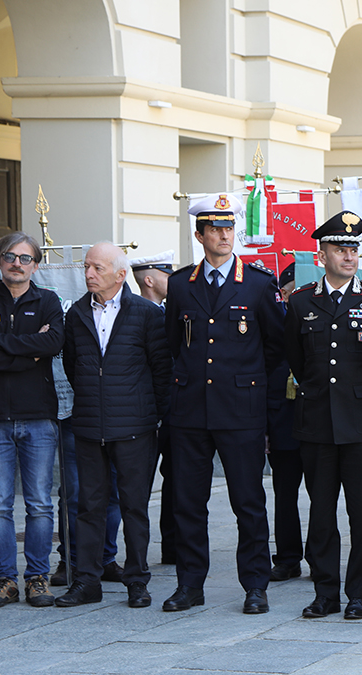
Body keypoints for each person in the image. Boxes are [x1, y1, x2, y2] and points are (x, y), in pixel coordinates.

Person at [162, 194, 284, 614]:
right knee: (188, 502)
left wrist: (265, 409)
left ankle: (255, 585)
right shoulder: (180, 284)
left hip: (241, 409)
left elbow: (275, 349)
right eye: (214, 229)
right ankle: (189, 585)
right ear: (199, 235)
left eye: (229, 227)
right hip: (191, 411)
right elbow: (174, 345)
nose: (224, 235)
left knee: (248, 501)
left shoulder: (258, 283)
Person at [285, 211, 362, 620]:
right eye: (340, 249)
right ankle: (325, 592)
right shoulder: (300, 302)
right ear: (322, 252)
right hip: (316, 421)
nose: (349, 257)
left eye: (353, 248)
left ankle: (358, 594)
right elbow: (296, 359)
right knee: (320, 511)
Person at [55, 242, 170, 608]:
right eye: (87, 267)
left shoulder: (147, 314)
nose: (89, 274)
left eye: (97, 268)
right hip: (89, 425)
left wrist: (151, 414)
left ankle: (137, 580)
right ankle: (87, 580)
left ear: (121, 275)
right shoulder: (75, 314)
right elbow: (74, 367)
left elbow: (161, 371)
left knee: (134, 506)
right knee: (89, 506)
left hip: (135, 427)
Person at [0, 232, 65, 608]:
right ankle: (4, 580)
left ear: (35, 265)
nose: (16, 264)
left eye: (24, 258)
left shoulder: (49, 300)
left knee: (39, 503)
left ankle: (37, 577)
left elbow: (53, 344)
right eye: (9, 256)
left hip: (38, 418)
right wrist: (26, 350)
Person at [130, 251, 178, 564]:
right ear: (149, 279)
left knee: (176, 481)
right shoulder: (133, 315)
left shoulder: (176, 311)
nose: (171, 280)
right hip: (141, 413)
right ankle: (135, 554)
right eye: (165, 273)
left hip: (175, 410)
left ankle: (173, 548)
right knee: (136, 487)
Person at [269, 266, 306, 580]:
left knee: (324, 495)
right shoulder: (274, 323)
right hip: (283, 421)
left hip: (318, 420)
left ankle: (322, 556)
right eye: (294, 291)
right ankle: (288, 557)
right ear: (282, 294)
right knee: (284, 493)